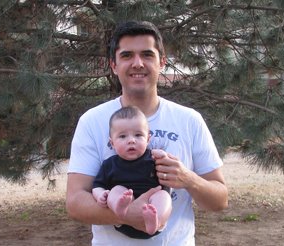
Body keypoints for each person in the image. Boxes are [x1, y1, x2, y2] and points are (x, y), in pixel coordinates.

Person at [66, 20, 228, 246]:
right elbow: (75, 202)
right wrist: (124, 214)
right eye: (126, 56)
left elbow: (220, 200)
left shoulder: (189, 120)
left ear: (162, 62)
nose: (138, 63)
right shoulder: (92, 121)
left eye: (147, 54)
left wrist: (188, 179)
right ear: (113, 65)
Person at [92, 106, 172, 239]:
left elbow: (168, 172)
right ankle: (120, 208)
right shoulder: (109, 164)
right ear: (112, 143)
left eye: (138, 135)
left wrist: (163, 157)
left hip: (152, 206)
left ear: (148, 139)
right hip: (122, 221)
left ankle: (154, 218)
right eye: (122, 136)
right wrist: (101, 195)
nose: (131, 140)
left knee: (163, 195)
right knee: (116, 190)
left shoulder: (153, 159)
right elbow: (97, 185)